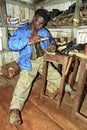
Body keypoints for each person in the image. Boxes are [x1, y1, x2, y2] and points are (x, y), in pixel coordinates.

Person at [8, 8, 75, 125]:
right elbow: (11, 45)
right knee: (23, 85)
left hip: (42, 60)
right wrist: (28, 40)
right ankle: (14, 111)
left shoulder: (44, 31)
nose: (39, 26)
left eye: (42, 24)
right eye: (38, 22)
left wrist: (52, 45)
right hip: (28, 63)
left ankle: (70, 90)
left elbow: (51, 42)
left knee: (56, 77)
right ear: (34, 18)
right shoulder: (21, 31)